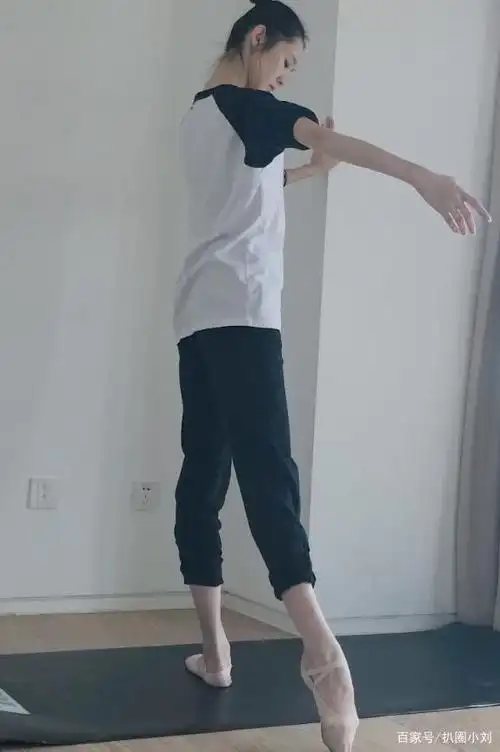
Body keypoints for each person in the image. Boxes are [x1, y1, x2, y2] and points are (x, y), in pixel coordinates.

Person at [172, 1, 492, 750]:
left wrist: (310, 174)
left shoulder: (201, 115)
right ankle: (324, 656)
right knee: (268, 476)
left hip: (196, 319)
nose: (286, 78)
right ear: (257, 39)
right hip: (245, 318)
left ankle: (217, 653)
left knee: (202, 482)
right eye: (286, 61)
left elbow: (243, 198)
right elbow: (326, 132)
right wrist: (423, 178)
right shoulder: (252, 106)